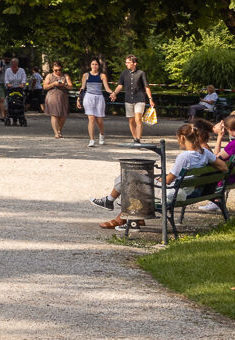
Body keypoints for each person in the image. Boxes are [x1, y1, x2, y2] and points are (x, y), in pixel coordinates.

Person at [94, 123, 222, 228]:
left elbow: (167, 181)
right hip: (192, 190)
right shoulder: (205, 153)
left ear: (182, 138)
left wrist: (157, 179)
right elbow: (224, 167)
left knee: (130, 180)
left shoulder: (184, 157)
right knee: (133, 179)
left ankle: (119, 212)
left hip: (176, 193)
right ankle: (129, 215)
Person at [118, 54, 153, 144]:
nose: (126, 64)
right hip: (128, 99)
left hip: (140, 99)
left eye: (128, 62)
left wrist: (150, 98)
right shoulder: (124, 73)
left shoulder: (141, 73)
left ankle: (138, 139)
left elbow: (146, 86)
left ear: (134, 63)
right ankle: (135, 138)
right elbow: (120, 86)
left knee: (138, 119)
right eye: (126, 62)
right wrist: (114, 93)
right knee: (131, 120)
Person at [79, 59, 115, 147]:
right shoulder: (86, 75)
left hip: (99, 97)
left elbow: (106, 88)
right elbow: (82, 88)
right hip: (88, 97)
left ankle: (101, 135)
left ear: (98, 66)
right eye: (92, 64)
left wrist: (112, 93)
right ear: (90, 65)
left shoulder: (102, 75)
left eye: (96, 64)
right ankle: (91, 140)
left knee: (99, 120)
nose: (94, 66)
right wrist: (79, 99)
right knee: (91, 118)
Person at [42, 62, 73, 139]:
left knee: (63, 115)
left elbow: (70, 87)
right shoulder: (49, 76)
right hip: (52, 96)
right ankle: (56, 133)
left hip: (62, 96)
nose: (58, 72)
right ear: (53, 69)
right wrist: (53, 84)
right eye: (56, 70)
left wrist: (64, 84)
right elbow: (45, 87)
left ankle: (59, 130)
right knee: (54, 114)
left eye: (59, 70)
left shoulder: (65, 76)